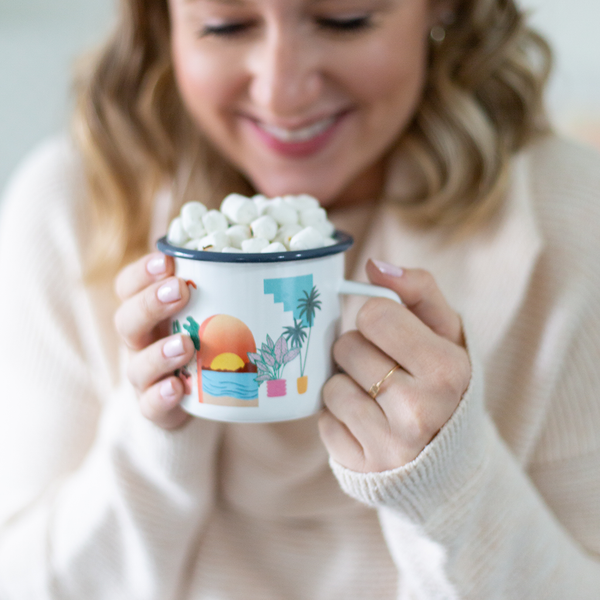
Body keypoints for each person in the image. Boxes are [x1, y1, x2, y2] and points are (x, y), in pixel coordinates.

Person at [1, 0, 599, 597]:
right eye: (226, 25)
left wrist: (454, 490)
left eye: (346, 20)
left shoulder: (574, 222)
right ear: (160, 19)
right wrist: (155, 443)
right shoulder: (68, 216)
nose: (283, 92)